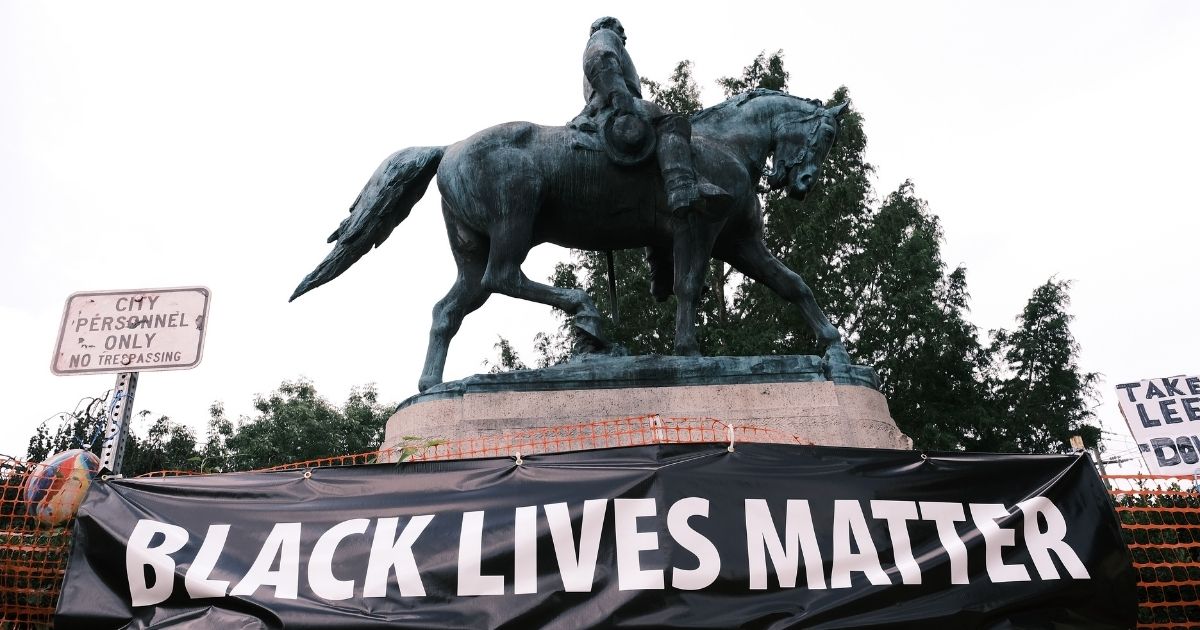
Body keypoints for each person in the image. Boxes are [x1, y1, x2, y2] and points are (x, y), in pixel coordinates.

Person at [578, 17, 731, 218]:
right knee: (671, 123)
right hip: (616, 103)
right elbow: (600, 59)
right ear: (605, 27)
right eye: (620, 29)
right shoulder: (604, 36)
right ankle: (682, 187)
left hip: (605, 103)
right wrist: (619, 95)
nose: (624, 35)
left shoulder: (607, 40)